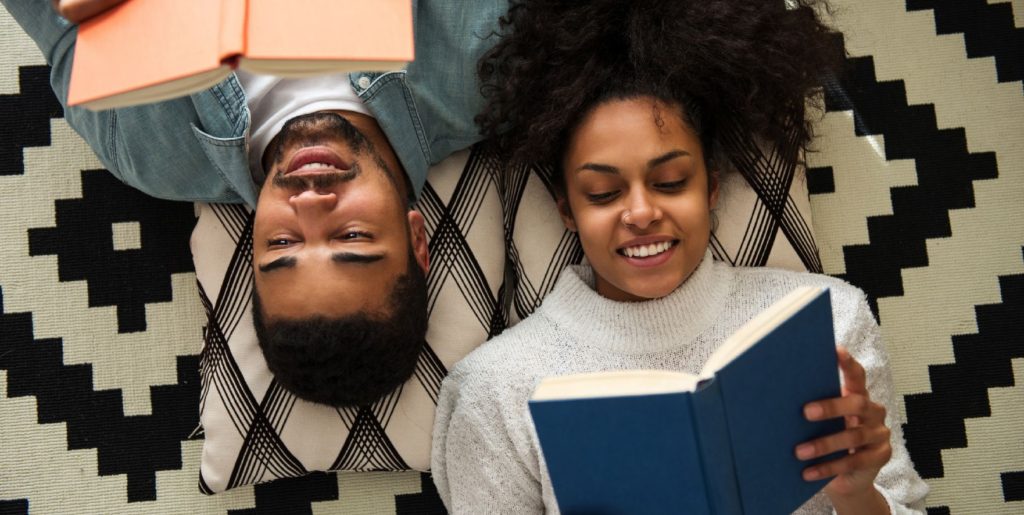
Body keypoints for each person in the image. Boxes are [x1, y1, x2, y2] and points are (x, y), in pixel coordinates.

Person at [431, 1, 929, 513]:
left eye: (670, 182)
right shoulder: (496, 391)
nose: (641, 213)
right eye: (603, 193)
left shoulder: (829, 324)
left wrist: (858, 495)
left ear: (711, 187)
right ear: (567, 210)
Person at [3, 0, 509, 406]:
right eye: (351, 236)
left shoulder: (145, 149)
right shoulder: (491, 66)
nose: (309, 201)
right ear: (417, 239)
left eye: (283, 243)